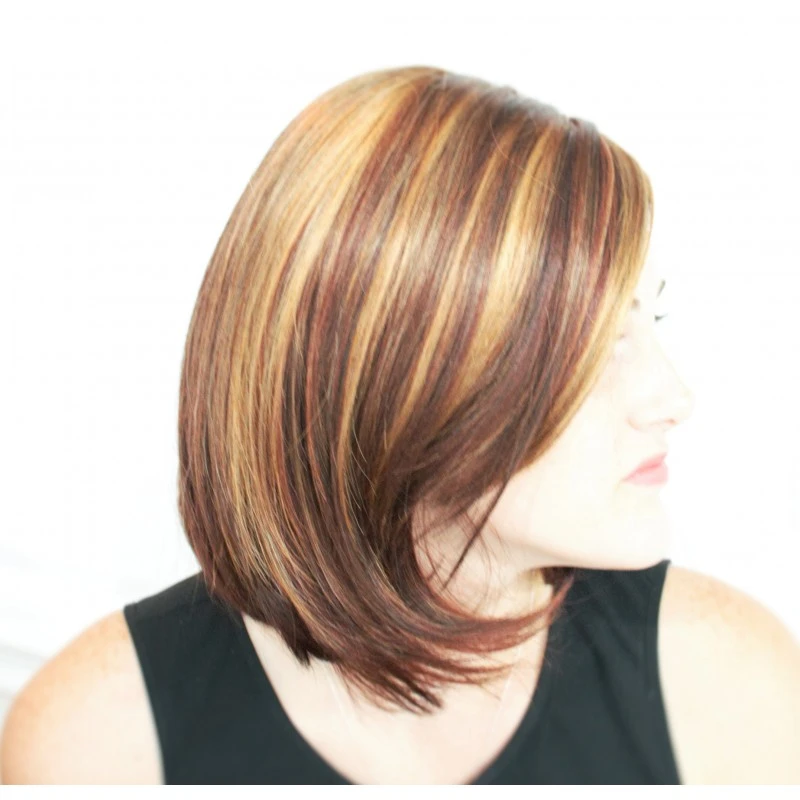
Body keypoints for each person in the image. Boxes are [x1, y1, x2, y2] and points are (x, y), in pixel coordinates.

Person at [3, 65, 799, 785]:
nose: (673, 396)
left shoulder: (726, 684)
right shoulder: (97, 742)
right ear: (397, 380)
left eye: (652, 317)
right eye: (595, 343)